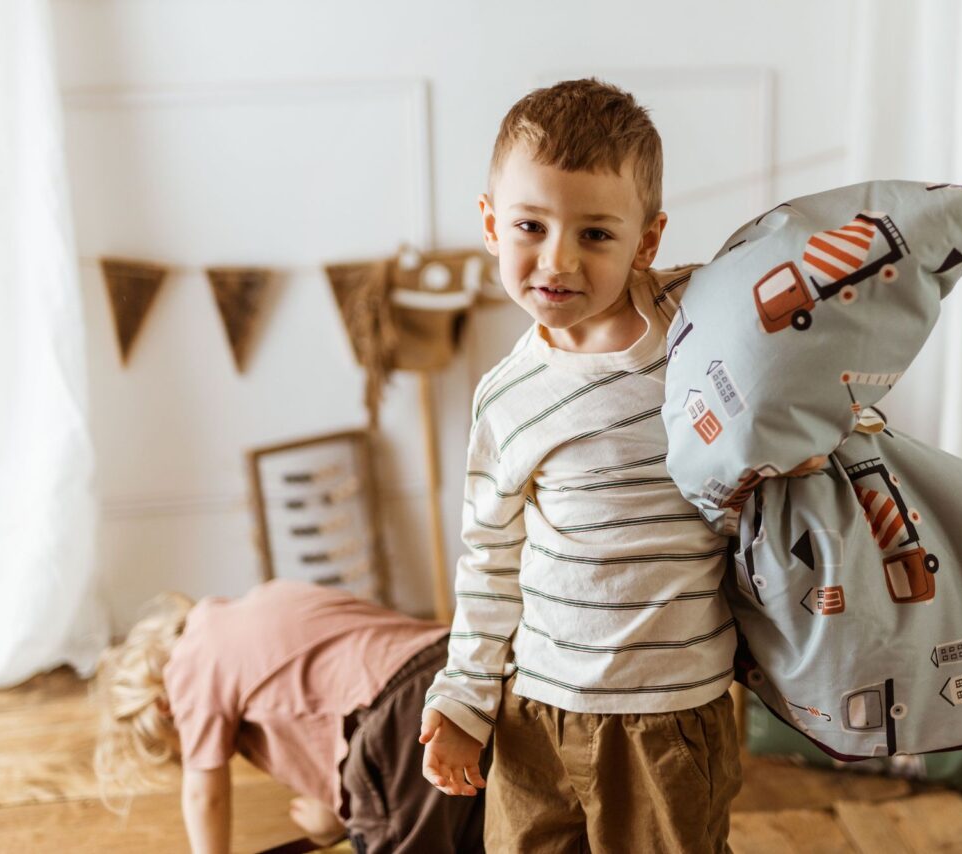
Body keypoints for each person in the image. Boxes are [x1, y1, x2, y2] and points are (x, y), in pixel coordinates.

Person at [419, 78, 742, 853]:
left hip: (670, 710)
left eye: (596, 234)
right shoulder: (507, 397)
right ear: (491, 225)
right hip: (536, 707)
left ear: (647, 241)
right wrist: (465, 698)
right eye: (530, 226)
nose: (557, 259)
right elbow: (490, 560)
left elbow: (812, 333)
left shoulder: (699, 325)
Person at [93, 579, 486, 854]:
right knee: (478, 825)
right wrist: (338, 819)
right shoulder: (267, 599)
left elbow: (204, 796)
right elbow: (330, 696)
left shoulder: (188, 665)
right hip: (459, 673)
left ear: (163, 707)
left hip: (392, 720)